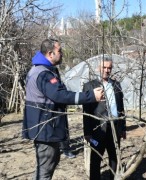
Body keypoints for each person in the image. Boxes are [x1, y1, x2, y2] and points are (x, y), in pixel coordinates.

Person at [22, 38, 104, 180]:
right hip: (45, 130)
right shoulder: (43, 74)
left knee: (47, 165)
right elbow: (60, 95)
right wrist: (91, 96)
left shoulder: (41, 69)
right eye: (59, 51)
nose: (62, 53)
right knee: (45, 170)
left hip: (45, 129)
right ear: (50, 53)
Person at [82, 57, 126, 180]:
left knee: (114, 158)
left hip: (114, 130)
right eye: (104, 67)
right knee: (95, 161)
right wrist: (87, 132)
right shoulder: (89, 86)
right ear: (98, 68)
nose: (107, 70)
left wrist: (123, 128)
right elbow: (86, 111)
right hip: (98, 131)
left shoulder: (116, 85)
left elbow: (121, 108)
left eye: (109, 68)